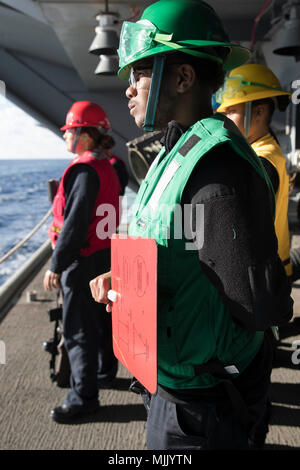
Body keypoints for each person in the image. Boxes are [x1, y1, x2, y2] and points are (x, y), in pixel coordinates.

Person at [90, 0, 293, 450]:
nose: (128, 88)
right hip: (177, 386)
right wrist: (132, 282)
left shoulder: (217, 167)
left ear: (182, 78)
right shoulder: (176, 148)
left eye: (140, 73)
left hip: (203, 405)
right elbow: (181, 246)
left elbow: (258, 304)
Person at [44, 101, 121, 423]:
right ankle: (104, 372)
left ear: (84, 136)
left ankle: (83, 398)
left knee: (78, 332)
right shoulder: (109, 167)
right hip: (105, 256)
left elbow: (74, 225)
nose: (65, 138)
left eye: (69, 132)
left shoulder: (83, 170)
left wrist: (55, 265)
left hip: (83, 260)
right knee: (102, 323)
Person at [216, 63, 292, 277]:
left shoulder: (261, 161)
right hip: (272, 272)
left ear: (258, 112)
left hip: (263, 280)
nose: (224, 120)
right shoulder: (265, 151)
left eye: (231, 111)